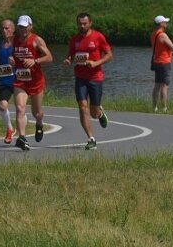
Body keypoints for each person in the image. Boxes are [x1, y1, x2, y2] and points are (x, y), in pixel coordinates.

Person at [62, 12, 113, 150]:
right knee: (82, 106)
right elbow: (71, 55)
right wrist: (68, 59)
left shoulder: (98, 37)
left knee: (93, 113)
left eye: (85, 23)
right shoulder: (74, 39)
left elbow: (109, 55)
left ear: (90, 23)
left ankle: (100, 113)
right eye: (80, 23)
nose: (82, 26)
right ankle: (91, 138)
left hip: (95, 77)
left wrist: (96, 63)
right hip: (80, 78)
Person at [11, 15, 52, 151]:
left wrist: (35, 61)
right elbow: (11, 53)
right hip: (20, 80)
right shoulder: (14, 40)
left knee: (37, 112)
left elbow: (49, 57)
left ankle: (39, 123)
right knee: (20, 108)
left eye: (25, 26)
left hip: (36, 81)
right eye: (20, 27)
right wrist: (11, 58)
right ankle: (22, 137)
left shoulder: (36, 40)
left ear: (30, 26)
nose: (22, 29)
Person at [0, 19, 16, 144]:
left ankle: (23, 133)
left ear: (13, 29)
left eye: (7, 28)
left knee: (21, 108)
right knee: (3, 106)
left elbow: (27, 61)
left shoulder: (18, 45)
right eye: (2, 28)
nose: (4, 30)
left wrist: (16, 62)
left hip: (18, 80)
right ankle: (10, 129)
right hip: (5, 81)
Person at [150, 15, 173, 113]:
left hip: (156, 61)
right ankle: (164, 108)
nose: (166, 23)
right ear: (161, 24)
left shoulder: (153, 34)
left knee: (157, 85)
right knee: (165, 85)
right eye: (165, 21)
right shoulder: (163, 35)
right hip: (164, 62)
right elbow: (172, 47)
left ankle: (154, 107)